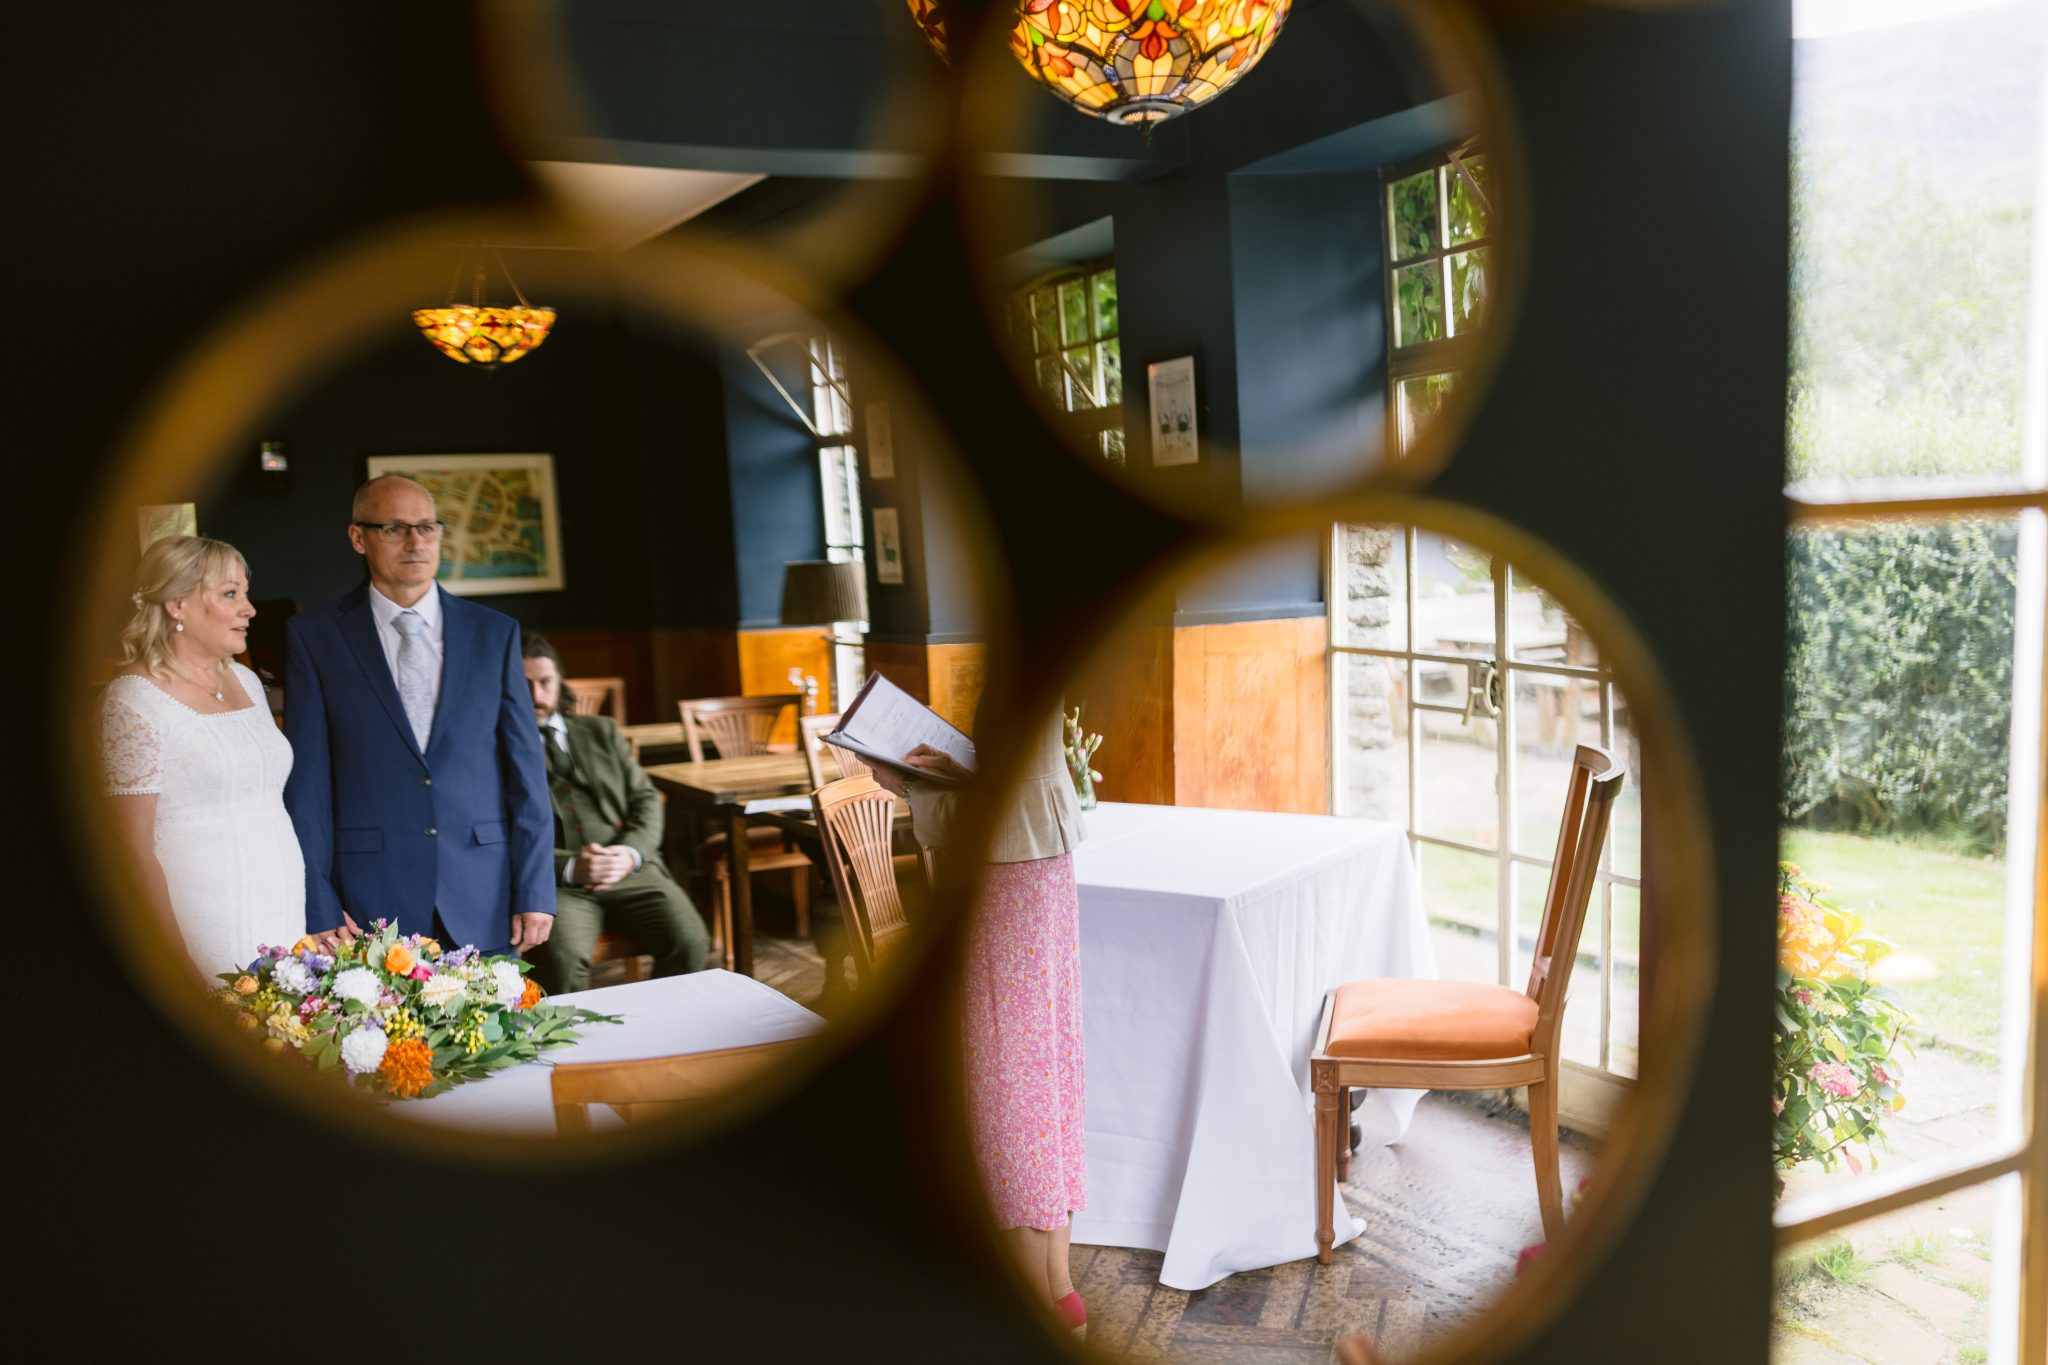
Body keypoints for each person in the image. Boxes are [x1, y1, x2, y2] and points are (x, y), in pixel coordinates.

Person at [872, 703, 1089, 1338]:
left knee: (1007, 1078)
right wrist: (953, 767)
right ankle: (1057, 1292)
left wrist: (909, 787)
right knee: (1041, 1066)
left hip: (1008, 870)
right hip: (1038, 859)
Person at [282, 475, 554, 958]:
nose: (415, 542)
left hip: (485, 891)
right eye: (394, 528)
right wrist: (318, 899)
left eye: (427, 528)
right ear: (357, 537)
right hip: (369, 897)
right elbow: (309, 784)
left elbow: (527, 775)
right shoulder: (315, 636)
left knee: (499, 1032)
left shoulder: (495, 634)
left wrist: (535, 890)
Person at [99, 536, 305, 976]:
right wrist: (174, 964)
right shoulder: (133, 702)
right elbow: (129, 849)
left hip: (284, 914)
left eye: (245, 593)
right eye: (230, 594)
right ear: (177, 605)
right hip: (202, 925)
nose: (249, 608)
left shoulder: (247, 681)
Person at [519, 632, 708, 993]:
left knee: (690, 942)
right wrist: (571, 865)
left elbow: (646, 799)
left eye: (545, 682)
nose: (536, 696)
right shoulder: (495, 746)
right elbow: (499, 833)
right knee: (562, 962)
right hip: (558, 882)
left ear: (560, 682)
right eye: (523, 684)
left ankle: (661, 1034)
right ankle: (580, 1049)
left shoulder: (600, 731)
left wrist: (629, 853)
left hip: (631, 870)